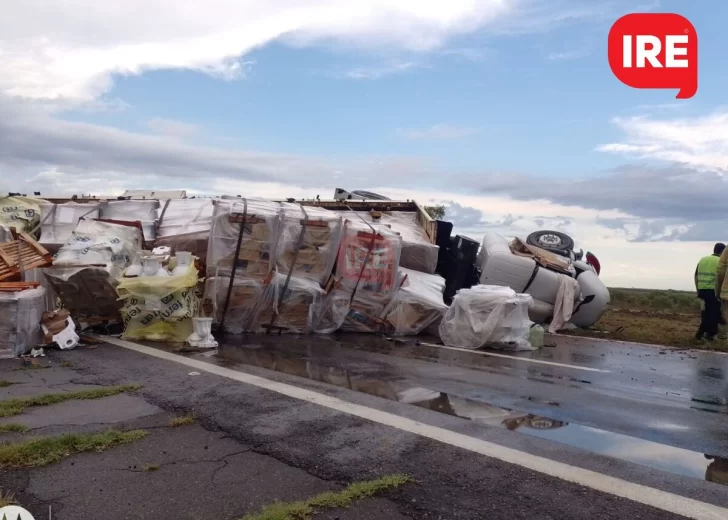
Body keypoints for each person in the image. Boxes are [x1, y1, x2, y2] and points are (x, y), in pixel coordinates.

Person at [695, 243, 725, 340]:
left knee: (711, 312)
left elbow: (695, 276)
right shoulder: (720, 261)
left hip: (702, 289)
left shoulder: (703, 259)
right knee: (712, 313)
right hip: (713, 290)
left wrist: (698, 290)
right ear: (723, 252)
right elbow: (721, 276)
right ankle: (702, 334)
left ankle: (710, 334)